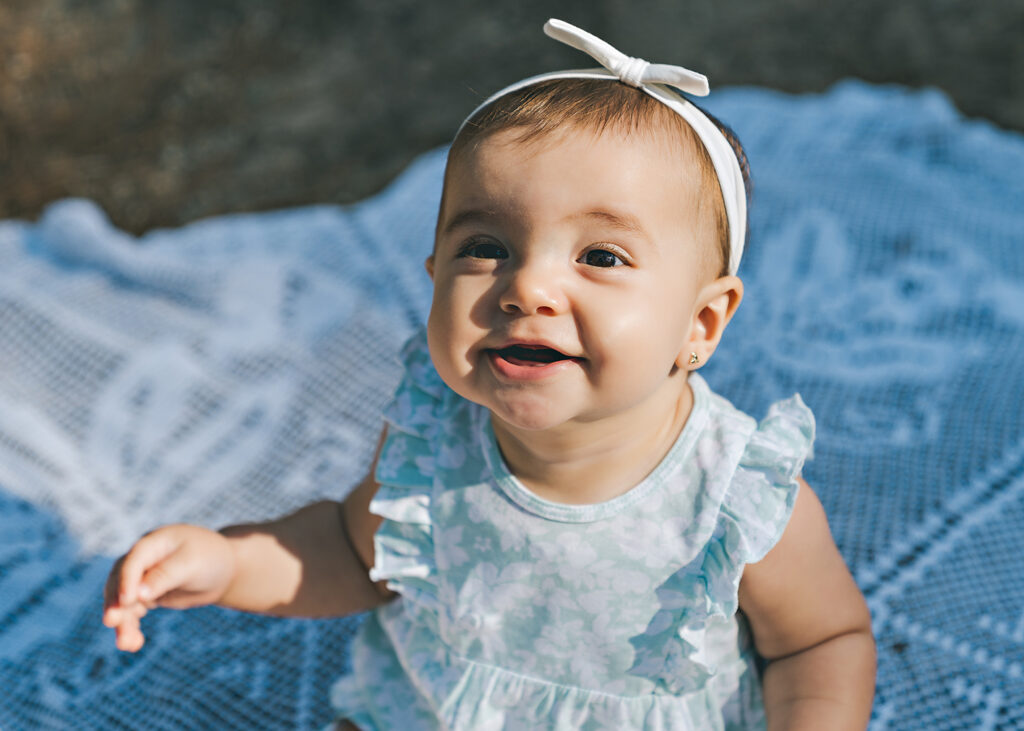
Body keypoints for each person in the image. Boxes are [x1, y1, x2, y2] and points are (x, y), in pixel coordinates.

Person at [103, 19, 875, 730]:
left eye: (600, 257)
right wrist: (229, 560)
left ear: (700, 324)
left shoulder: (736, 496)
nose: (526, 288)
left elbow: (820, 642)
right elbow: (353, 551)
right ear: (435, 272)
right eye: (486, 247)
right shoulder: (438, 430)